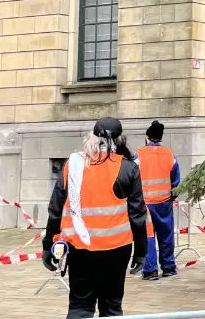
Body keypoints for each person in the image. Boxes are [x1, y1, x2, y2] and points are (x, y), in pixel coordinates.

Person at [44, 117, 149, 318]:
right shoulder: (128, 168)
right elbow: (137, 214)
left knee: (80, 307)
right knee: (111, 308)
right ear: (120, 140)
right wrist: (141, 252)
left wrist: (48, 245)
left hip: (80, 249)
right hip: (116, 249)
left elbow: (55, 210)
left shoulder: (73, 165)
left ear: (92, 137)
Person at [136, 120, 181, 280]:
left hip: (144, 204)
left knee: (147, 237)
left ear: (147, 137)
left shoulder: (138, 155)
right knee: (166, 235)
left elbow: (131, 178)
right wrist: (171, 196)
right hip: (164, 202)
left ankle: (150, 271)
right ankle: (168, 267)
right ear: (161, 138)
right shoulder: (169, 154)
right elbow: (176, 181)